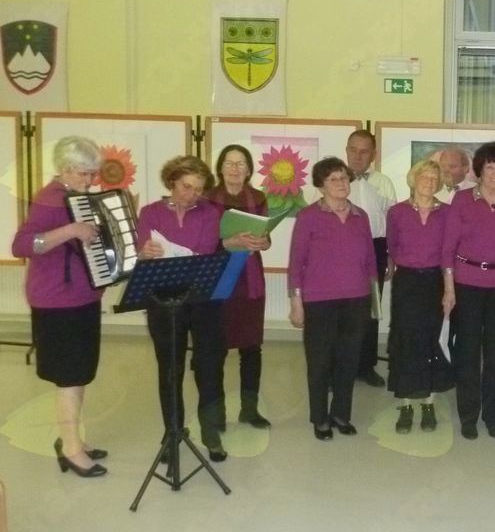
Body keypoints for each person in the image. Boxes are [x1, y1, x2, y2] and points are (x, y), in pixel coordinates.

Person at [11, 136, 107, 477]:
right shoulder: (49, 200)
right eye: (84, 173)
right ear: (65, 169)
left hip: (81, 297)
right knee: (69, 377)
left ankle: (72, 437)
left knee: (79, 373)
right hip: (57, 301)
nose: (90, 181)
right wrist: (70, 230)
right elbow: (22, 245)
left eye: (93, 174)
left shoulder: (75, 197)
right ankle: (70, 449)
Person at [137, 155, 241, 462]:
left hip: (203, 301)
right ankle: (172, 432)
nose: (192, 194)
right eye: (186, 186)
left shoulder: (212, 212)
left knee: (210, 367)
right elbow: (141, 253)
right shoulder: (150, 212)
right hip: (163, 302)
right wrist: (144, 253)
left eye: (198, 189)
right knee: (170, 371)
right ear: (172, 182)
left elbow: (205, 252)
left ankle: (210, 433)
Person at [442, 141, 495, 440]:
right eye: (490, 166)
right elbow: (448, 248)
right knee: (467, 352)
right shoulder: (462, 200)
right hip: (466, 284)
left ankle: (492, 416)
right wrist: (449, 290)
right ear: (479, 169)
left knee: (494, 353)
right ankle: (468, 416)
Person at [288, 157, 376, 441]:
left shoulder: (361, 216)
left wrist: (373, 300)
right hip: (319, 301)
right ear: (321, 185)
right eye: (333, 179)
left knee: (348, 361)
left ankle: (341, 414)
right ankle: (320, 418)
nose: (341, 183)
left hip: (356, 299)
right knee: (319, 362)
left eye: (344, 178)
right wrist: (296, 302)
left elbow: (370, 260)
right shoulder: (308, 216)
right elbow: (296, 262)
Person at [206, 144, 272, 429]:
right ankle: (216, 413)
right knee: (216, 349)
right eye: (229, 163)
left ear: (249, 170)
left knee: (251, 347)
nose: (235, 169)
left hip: (249, 279)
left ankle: (249, 409)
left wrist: (264, 242)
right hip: (217, 279)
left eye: (241, 163)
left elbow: (265, 235)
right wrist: (226, 243)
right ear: (220, 168)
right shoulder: (206, 198)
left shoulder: (258, 197)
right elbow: (200, 241)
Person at [385, 160, 454, 433]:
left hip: (435, 281)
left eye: (435, 177)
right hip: (407, 282)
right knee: (405, 342)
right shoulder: (397, 212)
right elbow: (392, 248)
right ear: (413, 179)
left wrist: (449, 289)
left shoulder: (447, 213)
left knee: (431, 341)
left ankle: (428, 402)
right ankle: (405, 404)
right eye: (424, 176)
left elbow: (449, 254)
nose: (429, 181)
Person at [345, 129, 396, 388]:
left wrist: (390, 256)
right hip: (342, 251)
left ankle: (366, 367)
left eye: (364, 151)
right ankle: (341, 368)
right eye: (353, 150)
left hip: (376, 248)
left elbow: (392, 223)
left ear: (373, 155)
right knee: (344, 311)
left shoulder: (383, 183)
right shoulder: (334, 180)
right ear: (346, 151)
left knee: (371, 310)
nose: (357, 156)